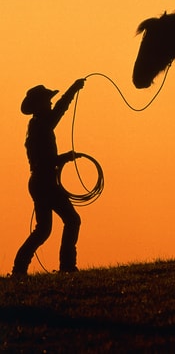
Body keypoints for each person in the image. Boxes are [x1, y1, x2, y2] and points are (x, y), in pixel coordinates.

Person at [12, 79, 85, 276]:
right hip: (45, 183)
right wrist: (73, 89)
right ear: (39, 106)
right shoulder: (42, 125)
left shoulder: (36, 125)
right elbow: (60, 110)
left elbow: (46, 160)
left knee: (44, 229)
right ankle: (67, 266)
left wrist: (63, 158)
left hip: (41, 182)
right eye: (47, 101)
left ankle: (20, 268)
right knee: (71, 220)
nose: (50, 104)